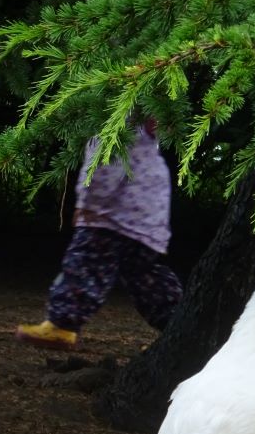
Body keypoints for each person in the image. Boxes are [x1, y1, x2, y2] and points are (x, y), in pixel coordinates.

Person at [16, 118, 183, 350]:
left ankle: (62, 324)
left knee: (85, 265)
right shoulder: (144, 137)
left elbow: (101, 170)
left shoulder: (112, 124)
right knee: (147, 277)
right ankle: (181, 328)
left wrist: (87, 207)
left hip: (110, 217)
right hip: (148, 223)